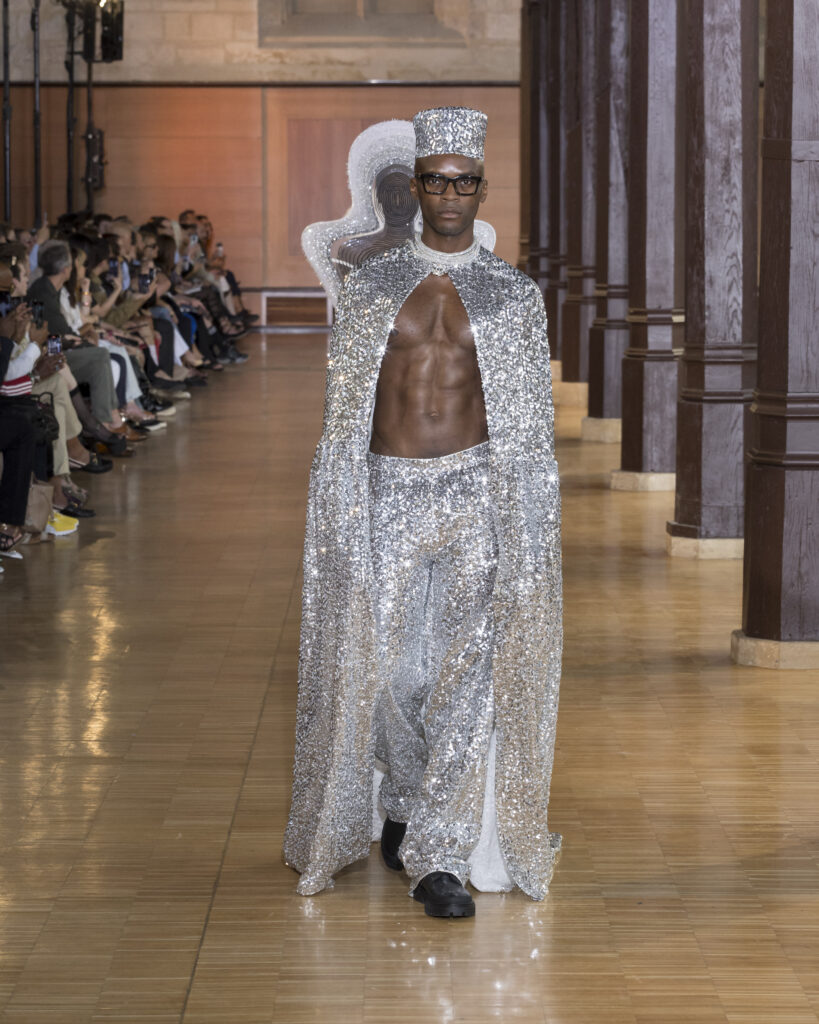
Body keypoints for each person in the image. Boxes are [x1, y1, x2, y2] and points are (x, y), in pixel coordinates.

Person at [284, 107, 563, 919]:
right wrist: (337, 506)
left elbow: (529, 427)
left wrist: (528, 530)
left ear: (480, 189)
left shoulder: (511, 295)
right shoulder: (371, 287)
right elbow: (342, 413)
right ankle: (404, 794)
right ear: (415, 188)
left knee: (469, 673)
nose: (448, 194)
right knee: (383, 668)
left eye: (463, 182)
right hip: (387, 491)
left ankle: (438, 852)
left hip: (477, 494)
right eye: (436, 181)